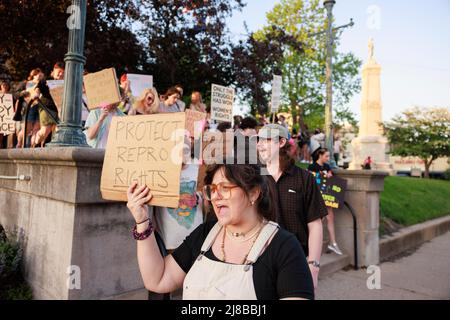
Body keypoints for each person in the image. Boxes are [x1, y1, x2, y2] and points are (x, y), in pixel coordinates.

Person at [126, 139, 314, 300]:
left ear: (253, 193)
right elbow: (158, 280)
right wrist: (142, 221)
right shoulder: (205, 234)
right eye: (212, 189)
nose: (215, 196)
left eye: (225, 187)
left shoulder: (284, 247)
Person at [257, 124, 328, 291]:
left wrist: (314, 266)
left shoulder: (304, 179)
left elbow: (315, 224)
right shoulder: (254, 179)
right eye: (258, 140)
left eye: (266, 140)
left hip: (296, 261)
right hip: (259, 260)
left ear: (281, 142)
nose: (259, 145)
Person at [308, 148, 343, 256]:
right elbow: (310, 181)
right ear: (320, 155)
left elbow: (330, 180)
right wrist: (321, 176)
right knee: (317, 221)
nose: (328, 158)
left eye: (328, 156)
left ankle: (333, 243)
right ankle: (311, 245)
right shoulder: (312, 167)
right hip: (316, 198)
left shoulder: (327, 167)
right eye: (326, 156)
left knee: (330, 218)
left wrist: (329, 176)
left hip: (327, 197)